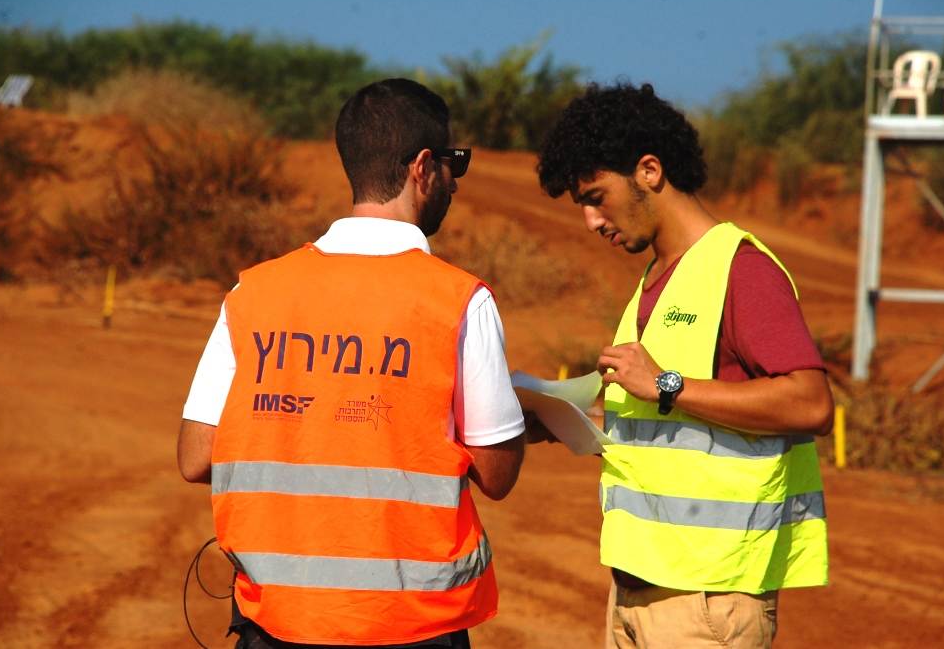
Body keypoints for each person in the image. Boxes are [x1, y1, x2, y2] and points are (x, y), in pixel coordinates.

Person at [177, 78, 525, 649]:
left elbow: (196, 455)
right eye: (452, 163)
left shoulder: (253, 293)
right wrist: (522, 419)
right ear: (421, 168)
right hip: (413, 626)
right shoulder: (460, 301)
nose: (454, 182)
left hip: (275, 622)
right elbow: (498, 475)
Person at [535, 82, 832, 649]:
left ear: (649, 170)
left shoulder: (740, 269)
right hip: (636, 592)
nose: (592, 222)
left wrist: (667, 384)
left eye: (596, 196)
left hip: (707, 603)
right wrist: (542, 414)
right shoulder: (655, 279)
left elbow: (811, 403)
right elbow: (652, 419)